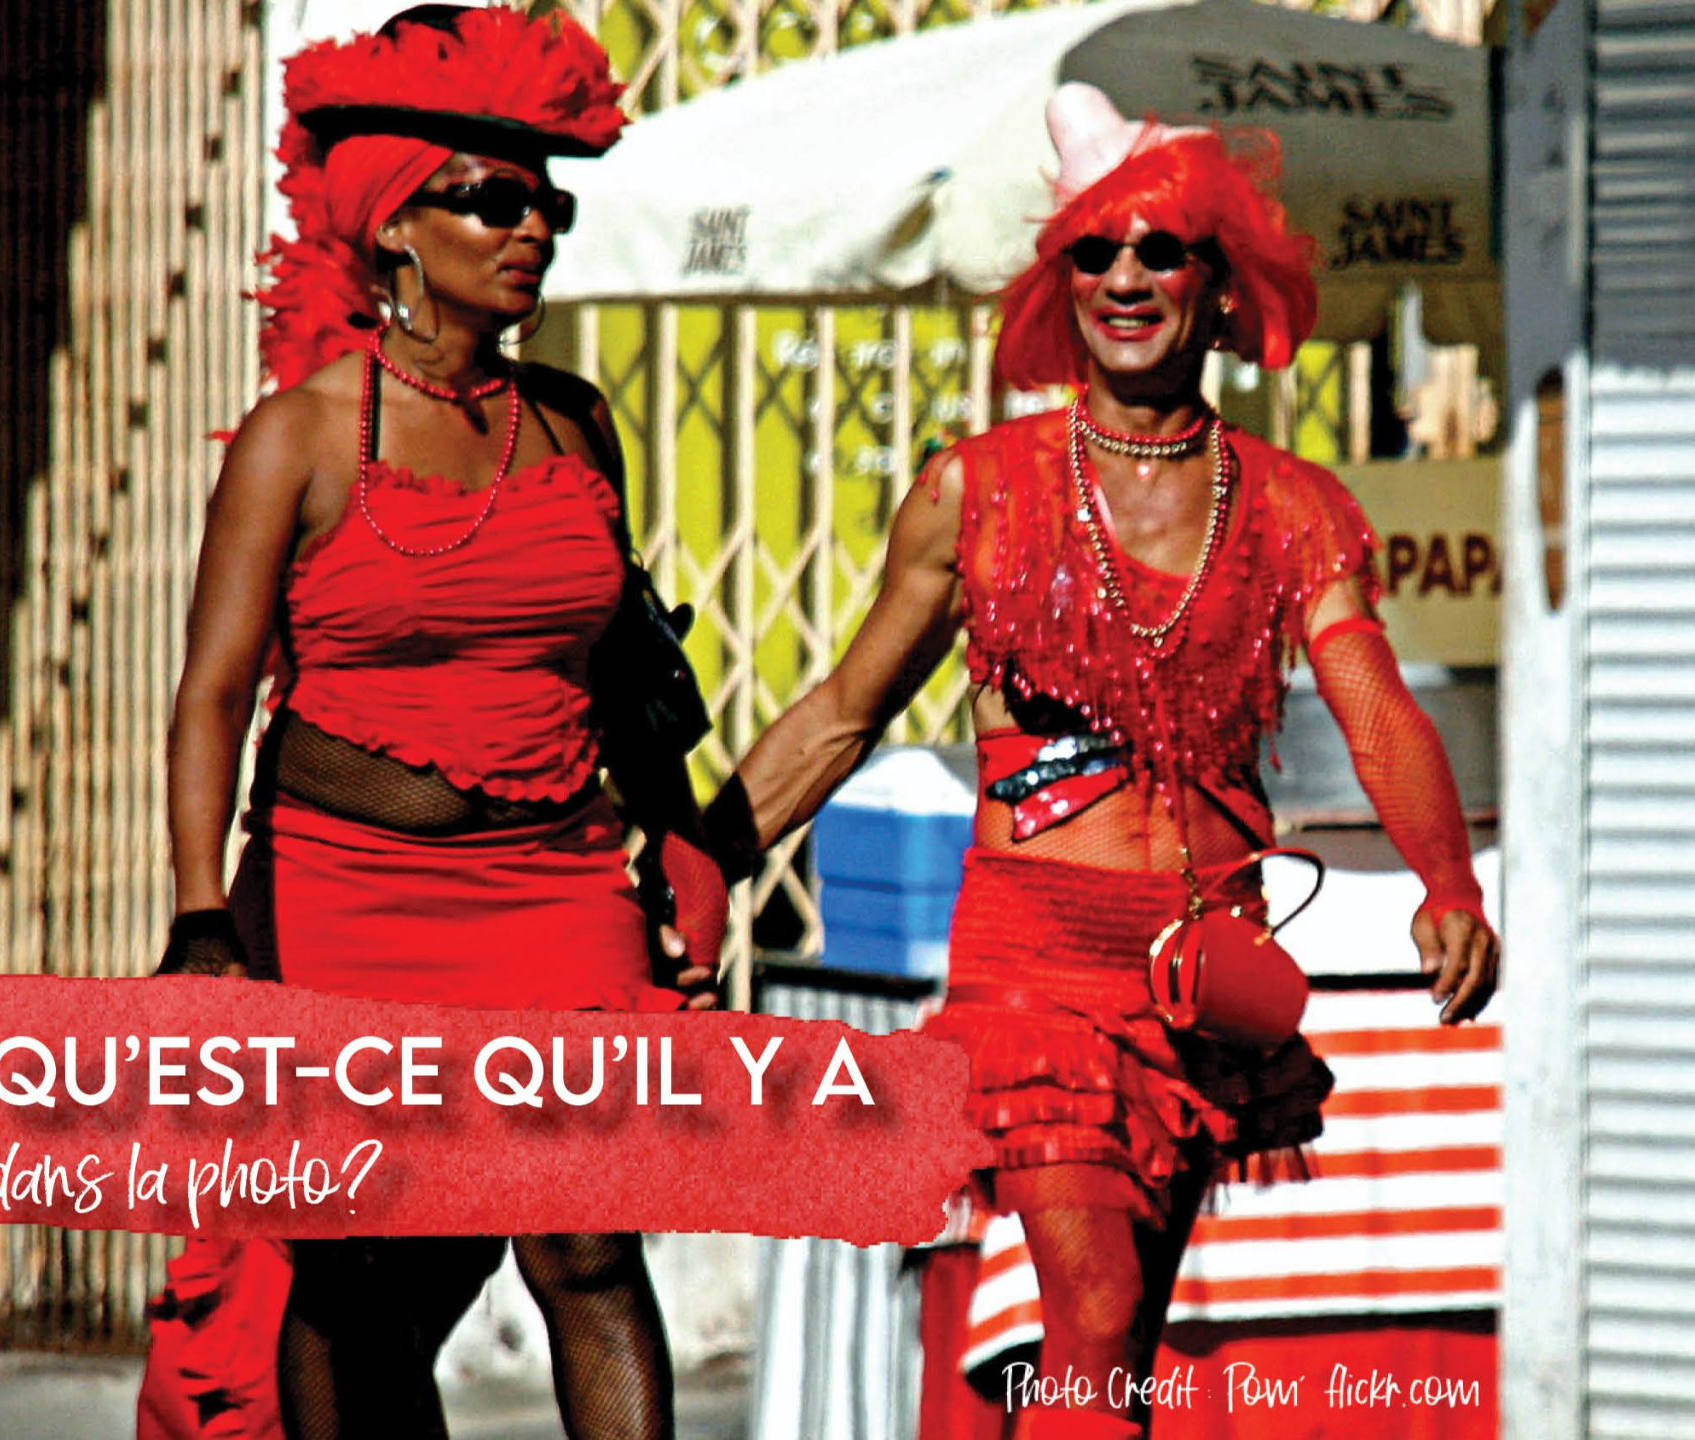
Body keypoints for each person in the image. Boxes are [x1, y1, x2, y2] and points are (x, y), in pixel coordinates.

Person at [696, 84, 1500, 1439]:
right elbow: (842, 712)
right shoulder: (977, 491)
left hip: (1206, 977)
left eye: (1160, 251)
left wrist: (1448, 881)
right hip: (1034, 969)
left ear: (1220, 287)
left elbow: (1370, 702)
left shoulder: (1292, 506)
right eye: (1093, 252)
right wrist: (701, 859)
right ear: (1056, 282)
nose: (1125, 279)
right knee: (1095, 1303)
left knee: (1115, 1347)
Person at [139, 9, 726, 1440]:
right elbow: (213, 692)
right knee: (359, 1272)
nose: (531, 230)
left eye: (547, 205)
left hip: (556, 886)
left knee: (587, 1248)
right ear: (395, 223)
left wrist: (679, 854)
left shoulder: (575, 423)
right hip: (346, 896)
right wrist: (204, 918)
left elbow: (626, 675)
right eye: (493, 199)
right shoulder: (299, 436)